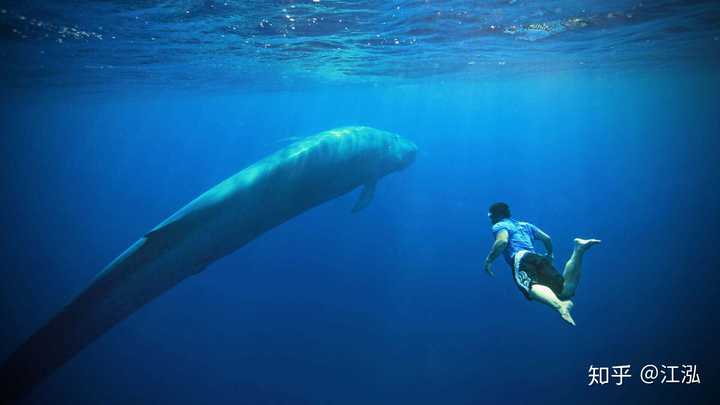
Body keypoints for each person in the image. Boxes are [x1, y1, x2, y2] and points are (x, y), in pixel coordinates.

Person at [483, 202, 601, 326]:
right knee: (564, 292)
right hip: (537, 257)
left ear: (496, 215)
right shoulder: (524, 225)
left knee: (529, 286)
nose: (490, 220)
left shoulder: (499, 225)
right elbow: (547, 238)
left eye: (490, 217)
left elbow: (502, 241)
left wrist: (489, 260)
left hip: (521, 257)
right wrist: (550, 255)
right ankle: (579, 250)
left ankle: (560, 307)